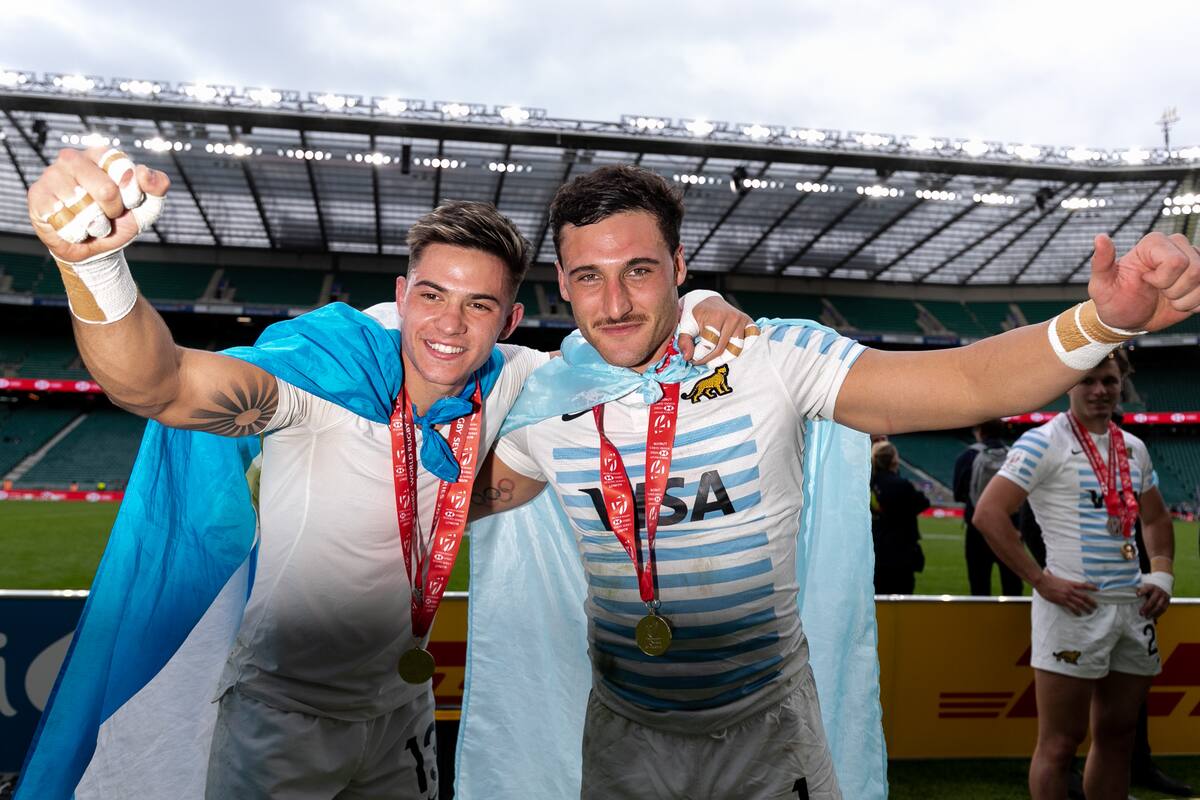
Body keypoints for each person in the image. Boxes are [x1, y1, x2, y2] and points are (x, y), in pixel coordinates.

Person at [16, 147, 752, 800]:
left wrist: (696, 302)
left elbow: (624, 358)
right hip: (282, 716)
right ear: (402, 298)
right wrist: (96, 266)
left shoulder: (517, 380)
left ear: (511, 319)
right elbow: (161, 385)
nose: (449, 325)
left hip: (401, 708)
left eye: (479, 305)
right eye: (431, 296)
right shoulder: (324, 379)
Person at [466, 164, 1200, 799]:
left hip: (767, 733)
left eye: (640, 270)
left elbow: (966, 378)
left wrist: (1100, 325)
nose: (616, 303)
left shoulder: (770, 357)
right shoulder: (546, 407)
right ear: (560, 282)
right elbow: (446, 508)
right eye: (588, 276)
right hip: (623, 739)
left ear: (681, 266)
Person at [973, 351, 1179, 800]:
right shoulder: (1041, 442)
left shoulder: (1133, 447)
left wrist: (1160, 574)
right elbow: (989, 515)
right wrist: (1042, 581)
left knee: (1119, 735)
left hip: (1131, 606)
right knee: (1061, 743)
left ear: (1121, 381)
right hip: (1073, 607)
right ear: (1068, 385)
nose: (1101, 390)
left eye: (1109, 380)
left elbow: (1157, 520)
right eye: (1088, 381)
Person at [954, 419, 1023, 595]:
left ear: (979, 431)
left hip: (978, 528)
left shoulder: (967, 456)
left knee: (979, 586)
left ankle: (981, 622)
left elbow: (959, 493)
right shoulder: (1015, 455)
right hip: (1010, 527)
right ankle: (1014, 622)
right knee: (1012, 585)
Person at [870, 440, 930, 594]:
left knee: (877, 602)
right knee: (902, 600)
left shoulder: (867, 484)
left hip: (874, 550)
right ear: (894, 460)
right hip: (901, 552)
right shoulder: (901, 485)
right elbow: (923, 502)